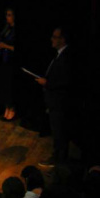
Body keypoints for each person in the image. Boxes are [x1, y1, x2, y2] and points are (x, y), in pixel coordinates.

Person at [36, 27, 73, 165]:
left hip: (60, 103)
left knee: (60, 133)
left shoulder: (66, 57)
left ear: (62, 39)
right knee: (57, 132)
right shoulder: (59, 55)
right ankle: (58, 158)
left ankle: (60, 161)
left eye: (54, 37)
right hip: (55, 102)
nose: (51, 39)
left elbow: (65, 80)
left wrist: (47, 83)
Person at [0, 8, 18, 121]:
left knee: (10, 86)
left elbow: (17, 47)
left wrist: (5, 46)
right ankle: (6, 108)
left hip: (12, 61)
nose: (7, 17)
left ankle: (12, 109)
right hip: (3, 59)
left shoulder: (16, 30)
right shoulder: (6, 28)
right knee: (4, 85)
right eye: (6, 15)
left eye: (9, 15)